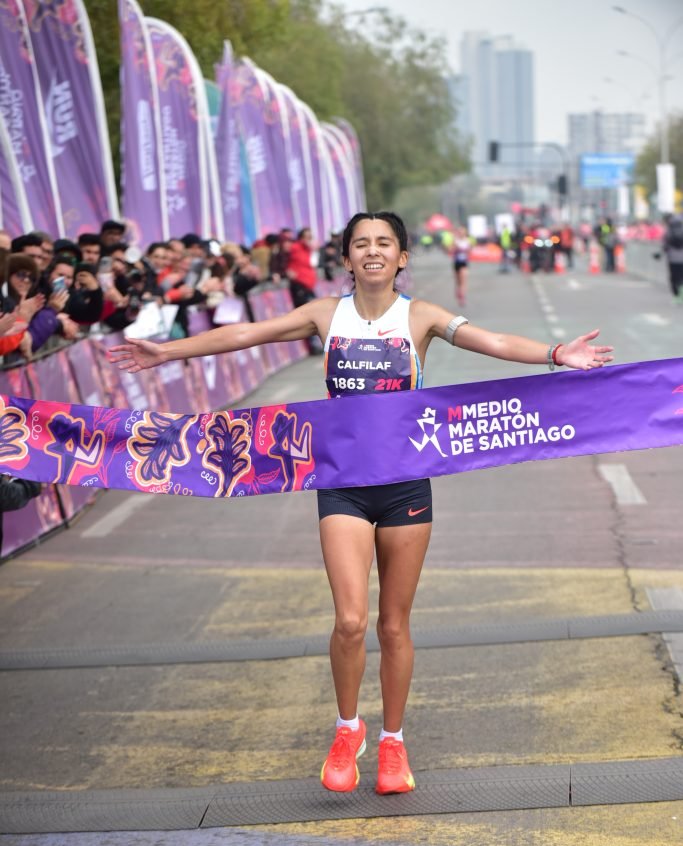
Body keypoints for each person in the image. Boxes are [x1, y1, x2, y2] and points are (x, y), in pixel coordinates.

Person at [109, 210, 613, 797]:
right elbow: (246, 333)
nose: (373, 252)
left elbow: (493, 342)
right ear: (346, 259)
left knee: (393, 625)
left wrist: (557, 353)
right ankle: (349, 728)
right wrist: (169, 352)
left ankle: (394, 742)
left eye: (385, 244)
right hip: (343, 484)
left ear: (401, 258)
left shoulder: (419, 316)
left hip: (405, 485)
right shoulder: (326, 314)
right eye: (361, 244)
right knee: (349, 622)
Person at [451, 225, 471, 305]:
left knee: (463, 281)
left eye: (462, 231)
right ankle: (458, 292)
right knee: (458, 282)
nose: (461, 232)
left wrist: (465, 250)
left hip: (464, 263)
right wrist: (456, 248)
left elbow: (469, 251)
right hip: (456, 263)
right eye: (460, 231)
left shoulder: (467, 241)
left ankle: (462, 297)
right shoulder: (456, 241)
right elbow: (450, 250)